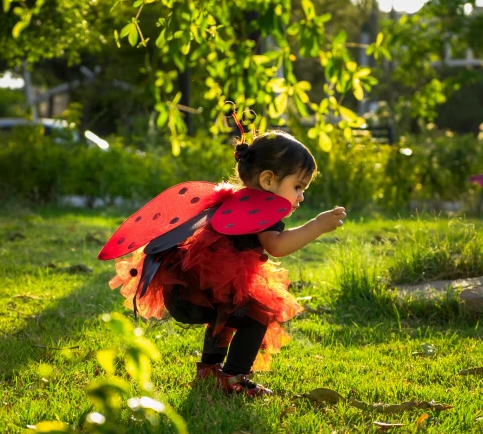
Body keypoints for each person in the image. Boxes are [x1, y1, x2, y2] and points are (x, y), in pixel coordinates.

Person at [107, 127, 346, 398]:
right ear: (268, 180)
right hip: (202, 290)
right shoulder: (264, 211)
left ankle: (209, 370)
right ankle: (234, 377)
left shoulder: (232, 200)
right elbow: (277, 246)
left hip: (188, 289)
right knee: (258, 314)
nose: (301, 196)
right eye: (298, 187)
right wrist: (317, 225)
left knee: (228, 312)